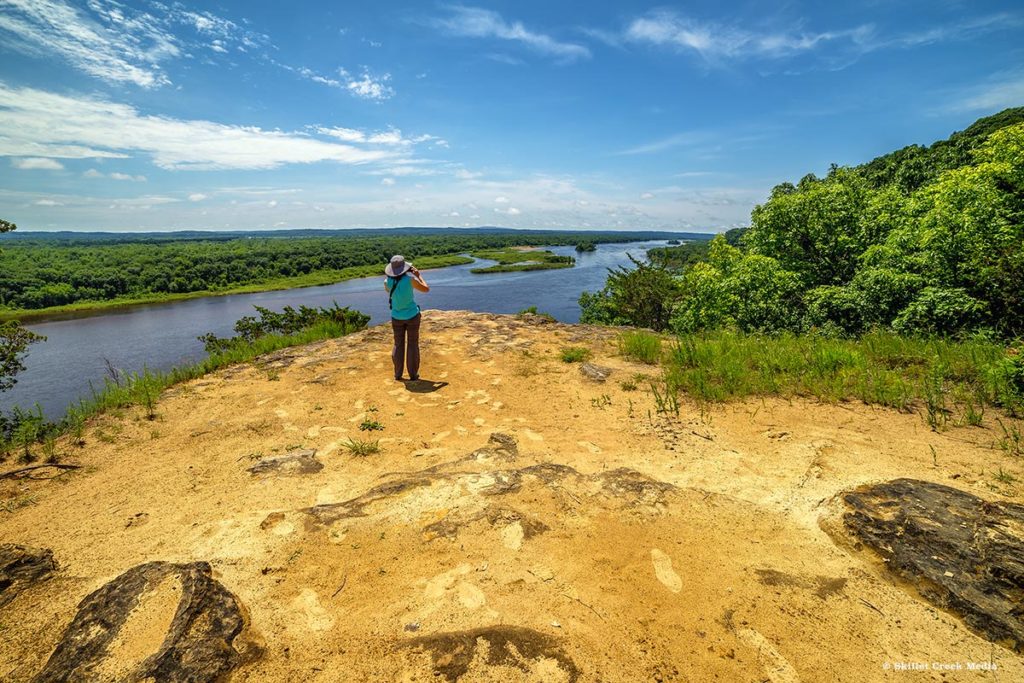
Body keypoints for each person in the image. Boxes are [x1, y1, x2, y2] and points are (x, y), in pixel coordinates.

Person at [384, 255, 429, 381]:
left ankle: (398, 374)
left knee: (398, 345)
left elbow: (391, 290)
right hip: (412, 315)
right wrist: (418, 275)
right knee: (412, 344)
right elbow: (426, 289)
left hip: (396, 317)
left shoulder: (386, 282)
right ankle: (413, 375)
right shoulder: (410, 280)